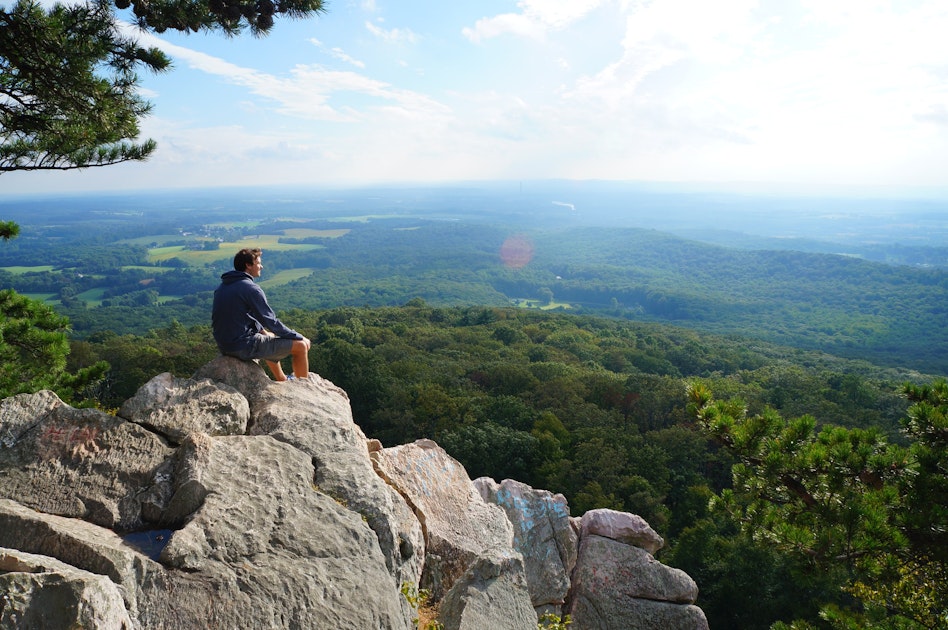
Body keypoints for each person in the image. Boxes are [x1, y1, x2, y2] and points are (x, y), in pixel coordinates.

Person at [212, 248, 311, 381]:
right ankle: (304, 386)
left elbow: (244, 316)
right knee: (301, 346)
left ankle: (281, 379)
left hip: (225, 345)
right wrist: (298, 337)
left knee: (268, 336)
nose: (261, 266)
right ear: (248, 265)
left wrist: (262, 331)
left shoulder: (223, 286)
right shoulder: (250, 288)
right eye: (258, 263)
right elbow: (271, 321)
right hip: (241, 346)